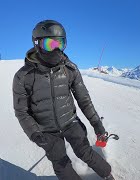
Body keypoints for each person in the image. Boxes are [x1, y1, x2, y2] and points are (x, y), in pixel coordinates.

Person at [12, 20, 115, 180]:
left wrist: (97, 125)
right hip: (46, 131)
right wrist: (35, 134)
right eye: (49, 44)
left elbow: (84, 100)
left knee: (85, 152)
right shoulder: (23, 76)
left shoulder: (69, 69)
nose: (55, 49)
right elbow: (21, 111)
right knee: (61, 163)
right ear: (37, 44)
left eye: (59, 43)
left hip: (71, 122)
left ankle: (108, 175)